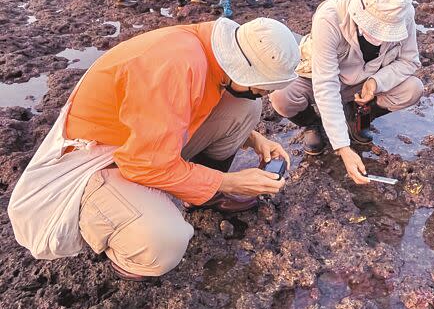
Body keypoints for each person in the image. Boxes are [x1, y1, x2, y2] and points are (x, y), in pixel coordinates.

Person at [9, 17, 301, 281]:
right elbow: (144, 164)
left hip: (142, 146)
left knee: (245, 108)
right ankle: (126, 236)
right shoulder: (174, 67)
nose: (267, 92)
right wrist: (229, 181)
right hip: (97, 162)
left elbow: (178, 115)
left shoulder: (207, 53)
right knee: (165, 240)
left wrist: (255, 139)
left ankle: (199, 196)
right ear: (242, 67)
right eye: (264, 86)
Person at [270, 0, 424, 184]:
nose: (381, 36)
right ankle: (313, 124)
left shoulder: (403, 13)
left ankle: (357, 117)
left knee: (412, 88)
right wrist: (343, 148)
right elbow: (325, 83)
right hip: (316, 76)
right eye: (375, 27)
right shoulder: (330, 16)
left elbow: (409, 61)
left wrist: (376, 82)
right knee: (281, 96)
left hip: (363, 81)